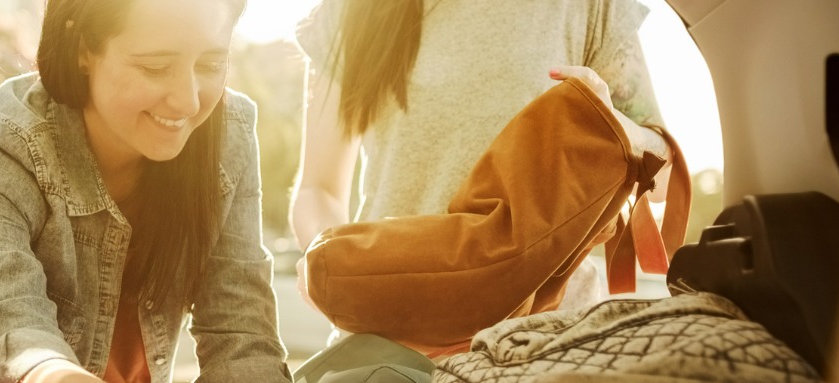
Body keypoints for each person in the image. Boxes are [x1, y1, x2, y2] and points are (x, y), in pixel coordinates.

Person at [0, 0, 292, 381]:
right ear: (83, 48)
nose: (187, 100)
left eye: (211, 65)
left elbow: (240, 334)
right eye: (155, 67)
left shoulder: (227, 134)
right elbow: (8, 330)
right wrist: (51, 374)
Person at [289, 0, 676, 355]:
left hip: (548, 342)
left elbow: (665, 172)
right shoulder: (351, 9)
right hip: (389, 340)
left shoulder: (589, 5)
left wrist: (614, 127)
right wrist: (330, 263)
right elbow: (317, 188)